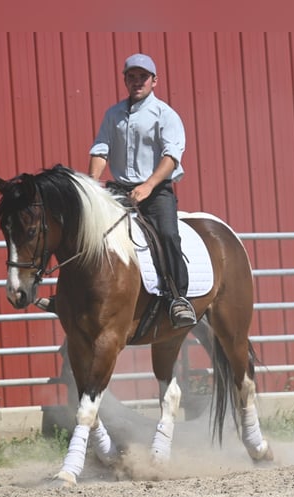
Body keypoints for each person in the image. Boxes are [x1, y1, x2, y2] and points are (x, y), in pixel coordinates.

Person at [37, 53, 196, 328]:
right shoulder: (113, 114)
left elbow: (171, 157)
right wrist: (90, 186)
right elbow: (101, 149)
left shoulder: (166, 115)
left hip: (156, 191)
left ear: (154, 81)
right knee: (84, 228)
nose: (137, 82)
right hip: (120, 189)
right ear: (125, 80)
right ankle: (68, 295)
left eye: (143, 77)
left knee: (168, 234)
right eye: (132, 77)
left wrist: (148, 186)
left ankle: (177, 297)